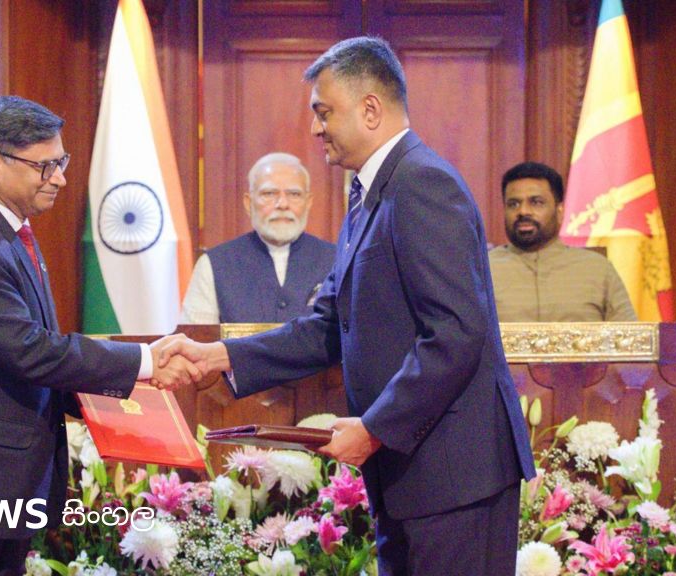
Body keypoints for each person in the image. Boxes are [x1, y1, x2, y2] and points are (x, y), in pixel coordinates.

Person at [162, 37, 535, 574]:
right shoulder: (368, 196)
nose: (316, 129)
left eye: (324, 112)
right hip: (410, 475)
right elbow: (328, 326)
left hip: (454, 478)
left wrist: (375, 427)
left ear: (370, 110)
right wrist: (219, 356)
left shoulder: (423, 183)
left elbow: (455, 333)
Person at [0, 96, 199, 575]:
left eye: (61, 162)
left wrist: (123, 401)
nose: (61, 178)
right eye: (45, 166)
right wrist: (145, 363)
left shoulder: (9, 234)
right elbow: (28, 351)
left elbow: (32, 358)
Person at [180, 152, 335, 324]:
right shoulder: (213, 264)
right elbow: (197, 337)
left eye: (294, 194)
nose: (283, 204)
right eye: (269, 194)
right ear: (249, 203)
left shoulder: (338, 261)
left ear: (308, 202)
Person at [490, 161, 637, 322]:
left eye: (536, 202)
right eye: (513, 204)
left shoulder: (598, 269)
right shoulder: (483, 271)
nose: (523, 211)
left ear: (560, 211)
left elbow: (629, 334)